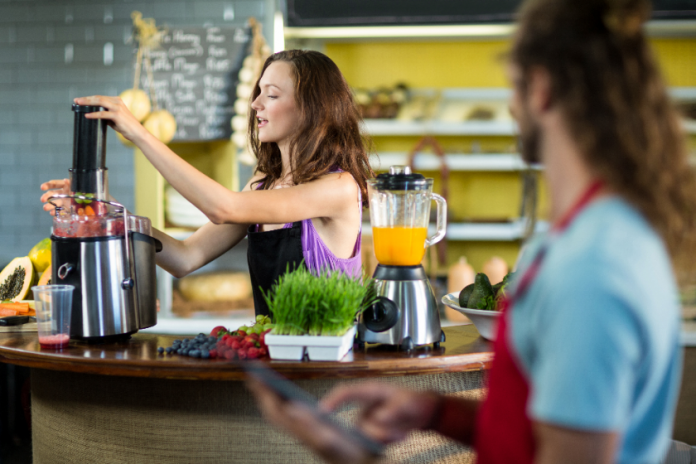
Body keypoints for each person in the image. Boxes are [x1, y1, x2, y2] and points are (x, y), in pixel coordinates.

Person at [249, 0, 696, 463]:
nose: (510, 104)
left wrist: (356, 457)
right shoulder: (592, 235)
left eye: (514, 86)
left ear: (541, 89)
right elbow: (535, 434)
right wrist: (434, 412)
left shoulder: (591, 267)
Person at [41, 50, 374, 315]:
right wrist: (107, 211)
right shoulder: (263, 185)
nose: (255, 104)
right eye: (257, 92)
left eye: (271, 95)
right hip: (274, 364)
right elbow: (184, 257)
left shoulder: (339, 188)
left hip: (327, 373)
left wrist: (140, 133)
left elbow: (222, 208)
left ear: (312, 109)